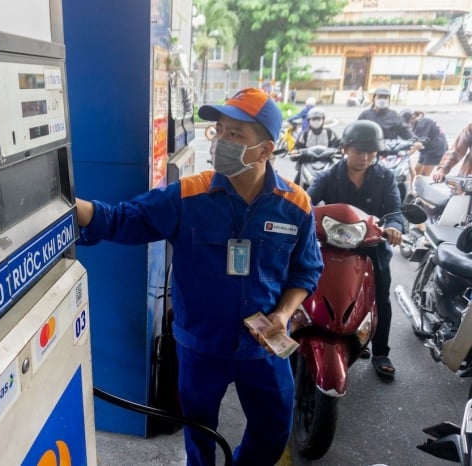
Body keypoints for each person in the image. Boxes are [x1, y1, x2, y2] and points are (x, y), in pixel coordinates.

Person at [75, 87, 323, 466]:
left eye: (235, 134)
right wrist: (71, 207)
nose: (222, 140)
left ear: (265, 150)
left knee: (273, 430)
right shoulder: (187, 196)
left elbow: (306, 270)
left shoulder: (296, 205)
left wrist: (283, 315)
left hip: (263, 344)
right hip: (200, 344)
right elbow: (123, 219)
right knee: (198, 433)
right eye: (219, 130)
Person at [306, 120, 404, 378]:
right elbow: (306, 203)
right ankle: (338, 337)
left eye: (371, 152)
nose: (365, 157)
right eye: (359, 151)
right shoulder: (328, 176)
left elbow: (395, 211)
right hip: (333, 247)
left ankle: (381, 351)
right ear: (345, 149)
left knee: (380, 296)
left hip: (372, 247)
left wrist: (394, 227)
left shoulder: (385, 177)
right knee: (322, 290)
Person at [399, 109, 448, 177]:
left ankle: (421, 186)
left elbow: (417, 145)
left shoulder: (421, 124)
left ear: (411, 119)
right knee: (416, 172)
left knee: (423, 176)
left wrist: (405, 155)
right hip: (426, 148)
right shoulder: (416, 123)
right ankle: (412, 187)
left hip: (435, 149)